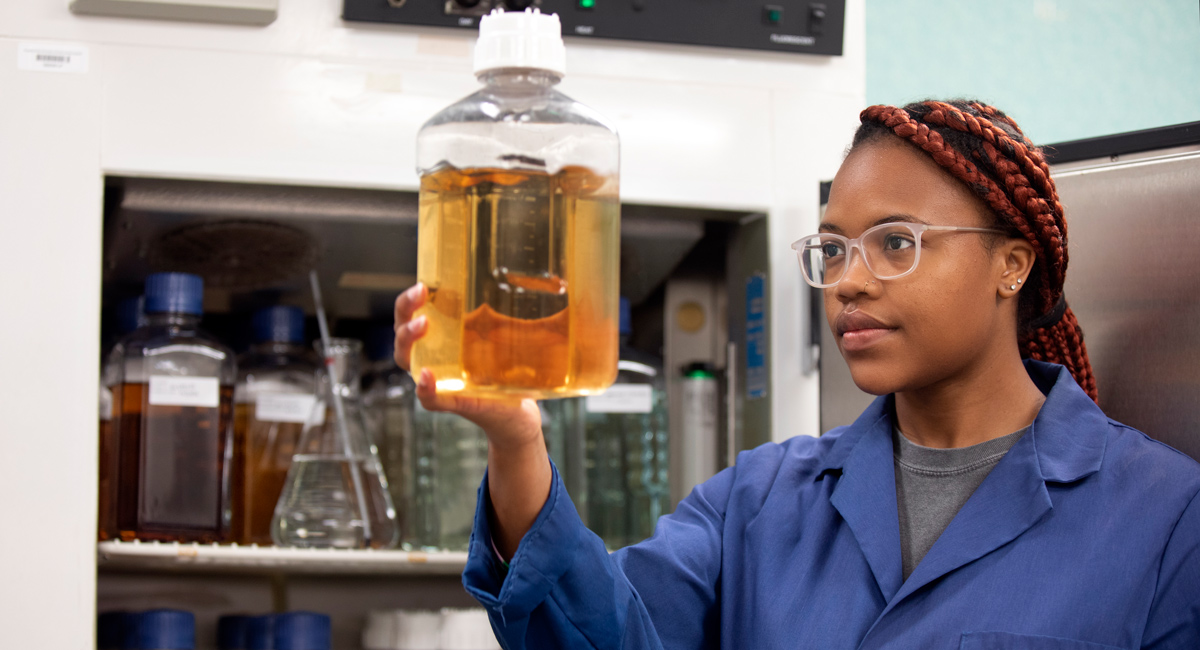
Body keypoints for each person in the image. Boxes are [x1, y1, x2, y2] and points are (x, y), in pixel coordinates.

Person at [393, 100, 1200, 649]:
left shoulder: (1165, 519)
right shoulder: (760, 502)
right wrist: (515, 438)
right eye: (833, 249)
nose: (848, 279)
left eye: (895, 242)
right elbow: (598, 634)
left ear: (1012, 264)